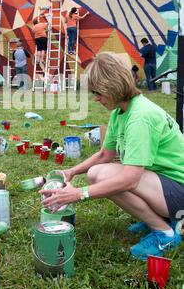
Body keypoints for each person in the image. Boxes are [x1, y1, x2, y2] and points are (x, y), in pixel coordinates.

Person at [40, 52, 183, 260]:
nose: (96, 98)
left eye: (98, 92)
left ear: (113, 86)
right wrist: (71, 171)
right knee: (96, 173)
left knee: (107, 176)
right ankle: (157, 217)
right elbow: (104, 155)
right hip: (165, 186)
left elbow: (130, 179)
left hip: (179, 192)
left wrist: (78, 193)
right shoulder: (121, 112)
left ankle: (165, 233)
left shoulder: (140, 117)